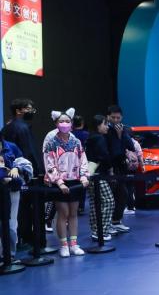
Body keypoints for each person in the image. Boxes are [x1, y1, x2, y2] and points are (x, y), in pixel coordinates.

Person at [43, 109, 90, 258]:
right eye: (61, 121)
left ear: (71, 123)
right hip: (60, 184)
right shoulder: (51, 143)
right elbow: (49, 164)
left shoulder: (76, 141)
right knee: (63, 213)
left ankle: (74, 244)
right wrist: (59, 182)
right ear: (56, 123)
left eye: (67, 121)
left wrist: (83, 176)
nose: (64, 124)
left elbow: (83, 160)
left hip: (75, 181)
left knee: (73, 214)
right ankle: (64, 246)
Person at [3, 98, 43, 249]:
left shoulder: (6, 128)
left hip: (10, 175)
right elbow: (29, 153)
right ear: (18, 111)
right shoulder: (23, 128)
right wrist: (37, 172)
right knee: (27, 209)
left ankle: (18, 240)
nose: (31, 111)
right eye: (28, 108)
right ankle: (31, 241)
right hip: (25, 175)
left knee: (16, 211)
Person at [0, 132, 32, 261]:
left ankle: (9, 255)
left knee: (11, 223)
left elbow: (25, 164)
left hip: (12, 190)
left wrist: (17, 168)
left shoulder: (11, 147)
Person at [85, 115, 116, 241]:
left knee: (95, 203)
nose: (107, 126)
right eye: (105, 124)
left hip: (89, 174)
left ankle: (95, 230)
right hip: (99, 175)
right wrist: (110, 168)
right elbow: (104, 155)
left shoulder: (90, 138)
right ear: (98, 125)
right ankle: (103, 231)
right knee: (108, 201)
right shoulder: (100, 138)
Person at [106, 105, 134, 234]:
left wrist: (121, 134)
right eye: (113, 117)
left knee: (123, 195)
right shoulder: (106, 131)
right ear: (108, 117)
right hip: (110, 168)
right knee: (111, 198)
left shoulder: (123, 129)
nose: (116, 120)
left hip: (121, 168)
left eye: (118, 117)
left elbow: (130, 145)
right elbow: (115, 152)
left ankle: (116, 221)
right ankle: (108, 224)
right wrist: (118, 136)